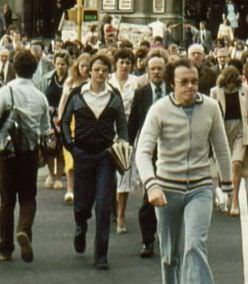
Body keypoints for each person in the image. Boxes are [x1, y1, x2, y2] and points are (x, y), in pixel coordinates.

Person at [136, 57, 233, 284]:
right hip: (166, 189)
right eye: (184, 82)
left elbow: (222, 149)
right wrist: (151, 185)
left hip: (200, 187)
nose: (191, 87)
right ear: (171, 85)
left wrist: (226, 188)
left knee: (195, 245)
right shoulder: (159, 110)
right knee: (169, 253)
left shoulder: (211, 108)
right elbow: (143, 152)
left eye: (194, 81)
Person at [60, 52, 127, 269]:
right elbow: (64, 121)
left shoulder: (114, 96)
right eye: (97, 69)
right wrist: (70, 145)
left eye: (105, 70)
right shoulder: (78, 94)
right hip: (82, 154)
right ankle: (80, 227)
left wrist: (122, 145)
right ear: (90, 71)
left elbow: (122, 125)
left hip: (105, 156)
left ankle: (101, 255)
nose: (100, 74)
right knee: (82, 204)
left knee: (104, 204)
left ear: (109, 73)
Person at [0, 48, 51, 263]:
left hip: (7, 153)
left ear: (14, 67)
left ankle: (5, 247)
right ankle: (24, 229)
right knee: (28, 197)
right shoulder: (40, 97)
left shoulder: (5, 92)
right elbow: (45, 128)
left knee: (6, 200)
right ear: (35, 69)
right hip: (29, 152)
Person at [128, 52, 168, 258]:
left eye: (160, 68)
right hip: (149, 151)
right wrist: (127, 145)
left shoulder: (173, 92)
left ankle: (170, 237)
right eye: (153, 69)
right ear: (147, 71)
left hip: (171, 150)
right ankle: (148, 240)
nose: (156, 72)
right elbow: (134, 121)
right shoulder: (142, 93)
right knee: (149, 196)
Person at [212, 64, 248, 217]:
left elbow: (246, 113)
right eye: (228, 83)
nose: (231, 86)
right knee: (223, 165)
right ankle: (223, 191)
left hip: (240, 130)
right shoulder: (215, 92)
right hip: (222, 130)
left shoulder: (243, 90)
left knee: (236, 163)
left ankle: (235, 201)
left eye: (233, 83)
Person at [109, 47, 139, 234]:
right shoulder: (108, 81)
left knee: (124, 174)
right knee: (109, 174)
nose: (125, 65)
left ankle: (121, 216)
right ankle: (111, 207)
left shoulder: (137, 83)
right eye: (122, 62)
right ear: (116, 64)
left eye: (128, 62)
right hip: (107, 131)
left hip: (128, 131)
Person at [56, 51, 91, 204]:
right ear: (77, 66)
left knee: (84, 159)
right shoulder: (70, 82)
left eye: (88, 66)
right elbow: (63, 102)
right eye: (82, 66)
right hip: (70, 123)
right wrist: (60, 119)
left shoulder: (93, 82)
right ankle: (70, 189)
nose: (85, 69)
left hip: (88, 124)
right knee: (70, 158)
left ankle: (83, 190)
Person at [43, 50, 69, 191]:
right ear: (54, 64)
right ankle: (50, 174)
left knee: (61, 149)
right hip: (48, 118)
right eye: (58, 64)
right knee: (48, 147)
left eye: (63, 64)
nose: (60, 67)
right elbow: (42, 95)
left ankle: (59, 176)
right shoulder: (47, 78)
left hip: (64, 118)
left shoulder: (70, 80)